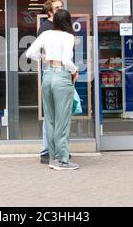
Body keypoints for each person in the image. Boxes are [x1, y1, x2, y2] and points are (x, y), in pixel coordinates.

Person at [26, 9, 80, 170]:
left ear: (54, 20)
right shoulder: (68, 36)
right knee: (62, 121)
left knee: (50, 119)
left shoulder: (46, 34)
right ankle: (63, 160)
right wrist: (74, 69)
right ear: (67, 22)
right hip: (62, 76)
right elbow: (66, 60)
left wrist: (43, 58)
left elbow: (29, 53)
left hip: (47, 75)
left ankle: (52, 158)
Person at [37, 0, 64, 164]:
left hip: (63, 72)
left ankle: (60, 150)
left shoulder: (63, 27)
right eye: (57, 8)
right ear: (49, 11)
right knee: (50, 114)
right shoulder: (45, 28)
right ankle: (46, 150)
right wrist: (47, 58)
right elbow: (38, 51)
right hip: (51, 72)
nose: (61, 10)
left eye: (62, 7)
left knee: (61, 114)